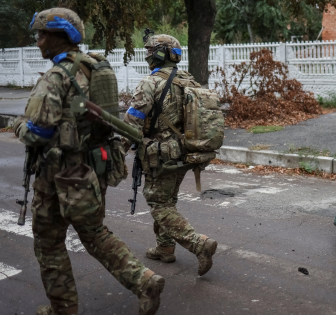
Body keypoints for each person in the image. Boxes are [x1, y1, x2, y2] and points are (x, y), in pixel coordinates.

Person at [14, 8, 164, 315]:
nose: (39, 42)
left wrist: (18, 124)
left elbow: (38, 132)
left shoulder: (57, 76)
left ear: (59, 38)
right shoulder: (96, 66)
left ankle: (63, 309)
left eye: (42, 35)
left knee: (49, 242)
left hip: (59, 174)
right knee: (94, 233)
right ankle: (144, 280)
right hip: (94, 167)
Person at [121, 33, 218, 276]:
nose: (147, 56)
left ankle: (199, 244)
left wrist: (118, 151)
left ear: (159, 54)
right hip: (184, 153)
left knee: (158, 203)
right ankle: (165, 248)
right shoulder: (189, 81)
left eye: (150, 51)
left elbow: (132, 122)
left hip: (159, 156)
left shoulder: (150, 83)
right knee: (167, 200)